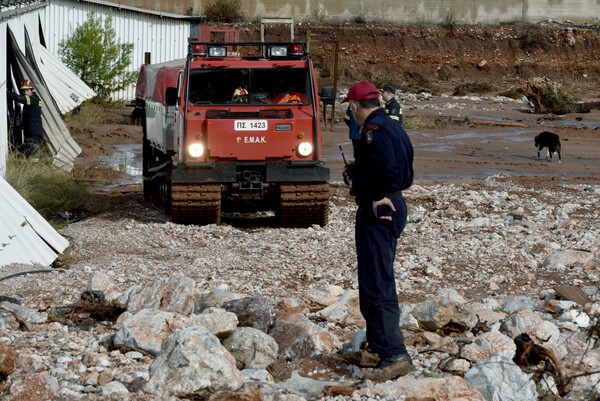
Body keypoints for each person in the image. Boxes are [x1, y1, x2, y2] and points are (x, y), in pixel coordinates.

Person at [342, 80, 415, 382]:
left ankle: (394, 354)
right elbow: (403, 166)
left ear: (355, 107)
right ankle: (377, 347)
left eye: (350, 108)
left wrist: (374, 196)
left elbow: (387, 170)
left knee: (378, 281)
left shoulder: (373, 131)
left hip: (381, 212)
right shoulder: (393, 126)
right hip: (392, 205)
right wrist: (357, 175)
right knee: (372, 278)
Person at [7, 80, 43, 157]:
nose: (25, 93)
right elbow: (30, 114)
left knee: (31, 150)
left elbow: (19, 98)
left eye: (27, 90)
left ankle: (33, 166)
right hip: (31, 129)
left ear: (32, 90)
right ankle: (29, 164)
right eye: (23, 91)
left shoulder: (33, 99)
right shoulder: (32, 101)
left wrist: (6, 91)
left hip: (33, 130)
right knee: (29, 150)